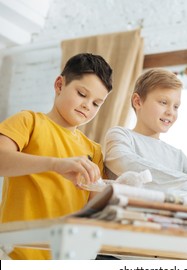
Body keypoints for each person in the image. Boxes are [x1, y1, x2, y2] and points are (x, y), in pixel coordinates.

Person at [0, 53, 113, 259]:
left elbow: (93, 215)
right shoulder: (28, 122)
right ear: (60, 85)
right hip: (15, 255)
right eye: (81, 94)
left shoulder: (94, 151)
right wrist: (55, 164)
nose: (88, 105)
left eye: (97, 103)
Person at [104, 68, 187, 189]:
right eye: (163, 102)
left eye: (176, 106)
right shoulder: (120, 135)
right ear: (137, 102)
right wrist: (185, 181)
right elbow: (124, 163)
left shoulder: (179, 156)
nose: (171, 112)